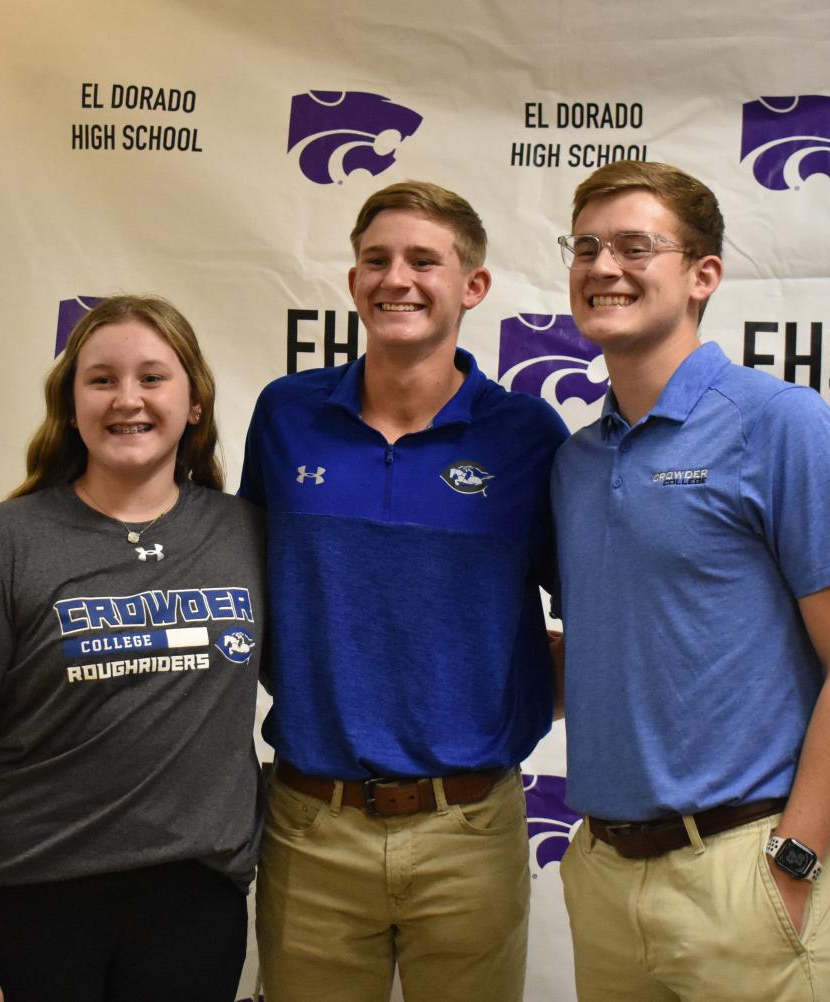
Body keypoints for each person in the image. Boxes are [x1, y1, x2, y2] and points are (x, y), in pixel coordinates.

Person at [550, 160, 830, 1002]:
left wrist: (795, 859)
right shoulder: (574, 461)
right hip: (605, 873)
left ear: (703, 274)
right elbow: (609, 650)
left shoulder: (780, 424)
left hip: (747, 870)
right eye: (585, 246)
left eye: (636, 246)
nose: (603, 266)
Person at [240, 180, 569, 1001]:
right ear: (352, 282)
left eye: (426, 260)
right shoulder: (285, 416)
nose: (398, 279)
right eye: (376, 260)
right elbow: (238, 595)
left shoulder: (528, 436)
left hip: (470, 825)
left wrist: (499, 694)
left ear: (473, 286)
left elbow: (595, 617)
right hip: (310, 822)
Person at [0, 295, 264, 1002]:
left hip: (193, 907)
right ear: (70, 405)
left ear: (194, 403)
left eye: (153, 377)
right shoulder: (2, 542)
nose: (127, 399)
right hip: (33, 906)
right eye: (101, 379)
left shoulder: (246, 534)